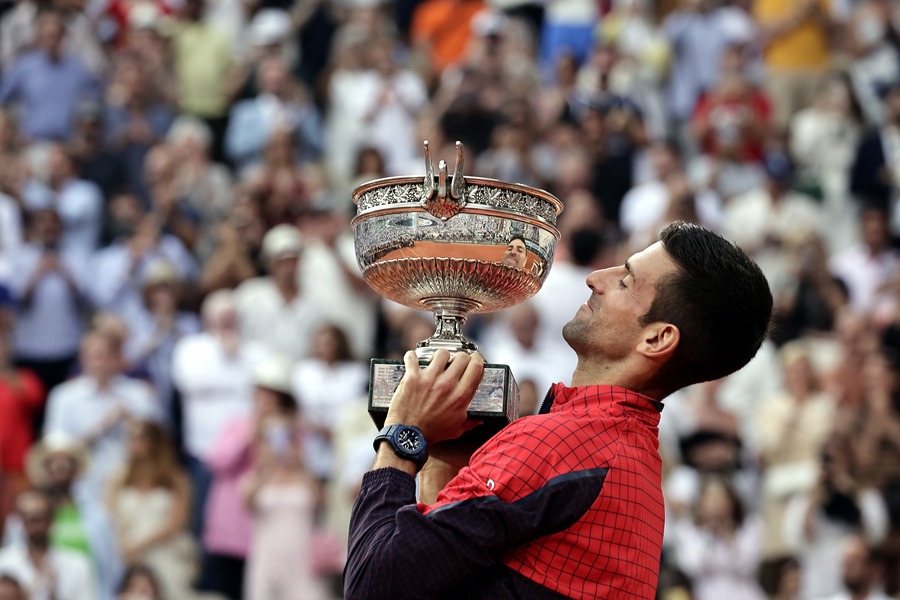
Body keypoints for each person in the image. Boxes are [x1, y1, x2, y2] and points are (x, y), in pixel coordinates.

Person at [344, 221, 774, 598]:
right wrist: (446, 462)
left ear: (657, 339)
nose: (595, 278)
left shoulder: (561, 446)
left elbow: (372, 584)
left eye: (625, 281)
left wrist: (403, 432)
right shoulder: (632, 464)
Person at [0, 488, 97, 600]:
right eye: (30, 518)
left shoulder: (77, 565)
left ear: (51, 519)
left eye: (41, 517)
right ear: (21, 521)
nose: (36, 525)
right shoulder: (3, 563)